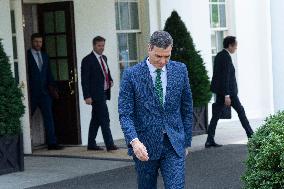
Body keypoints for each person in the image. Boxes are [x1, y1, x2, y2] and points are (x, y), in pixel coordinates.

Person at [118, 31, 193, 189]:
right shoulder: (131, 75)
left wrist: (186, 142)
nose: (163, 61)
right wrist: (134, 141)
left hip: (174, 144)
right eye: (158, 56)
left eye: (167, 56)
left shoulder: (181, 70)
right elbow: (125, 114)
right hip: (144, 146)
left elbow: (187, 108)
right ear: (149, 49)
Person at [205, 36, 254, 148]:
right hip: (229, 93)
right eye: (235, 46)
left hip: (221, 92)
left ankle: (209, 140)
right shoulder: (226, 57)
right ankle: (251, 136)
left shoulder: (219, 55)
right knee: (241, 112)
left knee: (215, 116)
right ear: (230, 45)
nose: (236, 48)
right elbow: (225, 77)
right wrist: (227, 95)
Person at [81, 36, 118, 151]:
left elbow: (106, 71)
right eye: (99, 45)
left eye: (103, 45)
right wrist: (87, 96)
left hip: (104, 93)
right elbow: (84, 80)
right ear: (94, 46)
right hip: (95, 95)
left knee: (96, 120)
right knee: (105, 118)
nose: (101, 48)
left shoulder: (104, 58)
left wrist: (110, 79)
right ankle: (110, 144)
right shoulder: (87, 60)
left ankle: (91, 144)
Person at [27, 33, 62, 150]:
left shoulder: (45, 56)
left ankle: (52, 143)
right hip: (31, 93)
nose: (38, 44)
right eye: (36, 42)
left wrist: (53, 88)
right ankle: (24, 143)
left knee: (49, 118)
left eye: (40, 42)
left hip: (45, 93)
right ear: (32, 42)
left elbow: (48, 74)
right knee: (26, 117)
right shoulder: (26, 55)